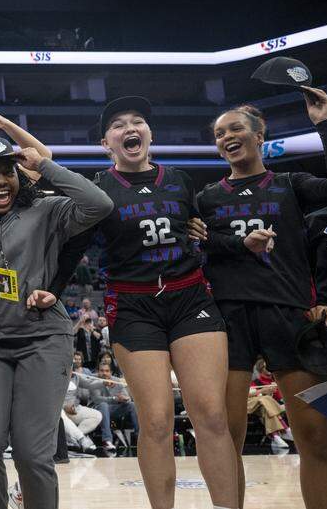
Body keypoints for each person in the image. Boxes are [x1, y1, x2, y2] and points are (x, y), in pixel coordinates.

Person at [0, 133, 112, 509]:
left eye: (8, 172)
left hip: (43, 339)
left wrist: (45, 167)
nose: (1, 180)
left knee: (32, 454)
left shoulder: (48, 212)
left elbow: (99, 204)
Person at [92, 96, 239, 509]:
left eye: (138, 121)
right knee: (155, 421)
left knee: (211, 415)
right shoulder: (98, 188)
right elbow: (72, 246)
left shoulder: (179, 179)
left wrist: (220, 238)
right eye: (119, 125)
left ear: (150, 135)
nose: (130, 128)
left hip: (190, 297)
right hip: (134, 305)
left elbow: (200, 231)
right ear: (107, 143)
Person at [196, 98, 327, 509]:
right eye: (219, 133)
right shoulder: (205, 199)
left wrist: (325, 125)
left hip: (290, 317)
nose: (227, 137)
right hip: (228, 321)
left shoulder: (292, 185)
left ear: (259, 134)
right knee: (225, 438)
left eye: (235, 129)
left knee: (317, 437)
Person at [247, 360, 291, 453]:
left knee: (265, 409)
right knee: (265, 399)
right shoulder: (255, 382)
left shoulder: (275, 382)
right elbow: (247, 395)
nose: (269, 369)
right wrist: (263, 390)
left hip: (264, 407)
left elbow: (280, 398)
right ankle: (285, 429)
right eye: (266, 367)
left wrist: (276, 390)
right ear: (261, 369)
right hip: (253, 405)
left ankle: (276, 437)